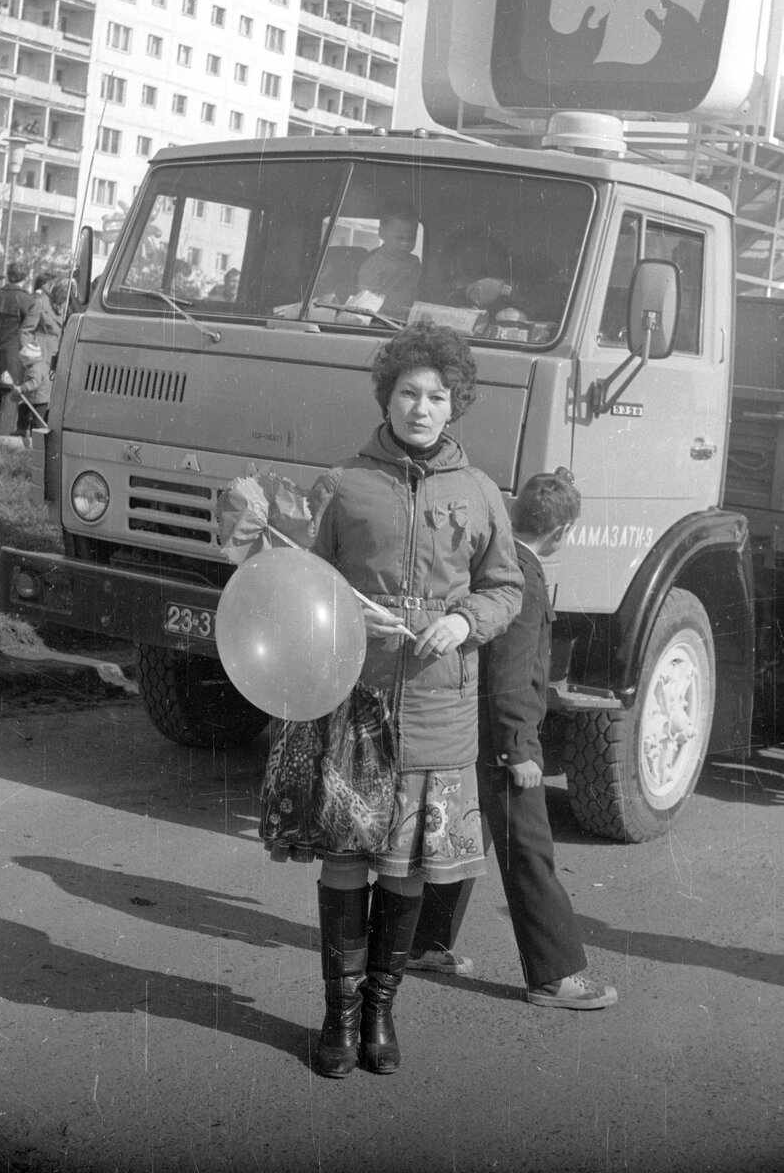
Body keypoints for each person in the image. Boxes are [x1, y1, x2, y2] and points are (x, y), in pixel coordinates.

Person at [261, 320, 524, 1077]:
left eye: (436, 395)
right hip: (355, 710)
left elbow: (506, 586)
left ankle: (380, 1014)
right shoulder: (343, 484)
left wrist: (461, 618)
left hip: (439, 711)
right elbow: (296, 582)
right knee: (346, 863)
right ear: (387, 397)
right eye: (408, 392)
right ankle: (337, 1022)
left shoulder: (478, 493)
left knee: (405, 872)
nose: (420, 407)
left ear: (455, 403)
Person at [408, 471, 618, 1010]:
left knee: (464, 838)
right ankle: (554, 976)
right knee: (528, 853)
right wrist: (519, 750)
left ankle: (425, 944)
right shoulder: (524, 575)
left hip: (465, 730)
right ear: (562, 530)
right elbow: (512, 675)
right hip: (502, 740)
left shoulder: (495, 562)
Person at [0, 262, 38, 435]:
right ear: (26, 277)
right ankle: (1, 438)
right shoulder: (28, 300)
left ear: (8, 275)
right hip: (16, 353)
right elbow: (27, 332)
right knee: (10, 396)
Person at [356, 206, 422, 317]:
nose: (405, 243)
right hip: (381, 320)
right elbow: (365, 305)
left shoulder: (414, 262)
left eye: (411, 238)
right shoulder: (373, 264)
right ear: (382, 233)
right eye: (399, 238)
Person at [10, 341, 51, 445]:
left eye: (23, 360)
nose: (22, 362)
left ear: (29, 359)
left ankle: (35, 437)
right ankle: (23, 431)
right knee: (23, 410)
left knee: (36, 419)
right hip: (40, 397)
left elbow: (34, 383)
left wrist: (21, 388)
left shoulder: (34, 370)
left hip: (37, 398)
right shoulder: (42, 365)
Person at [30, 271, 62, 368]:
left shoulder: (56, 302)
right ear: (44, 285)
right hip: (42, 352)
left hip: (52, 351)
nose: (55, 287)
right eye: (52, 284)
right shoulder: (38, 300)